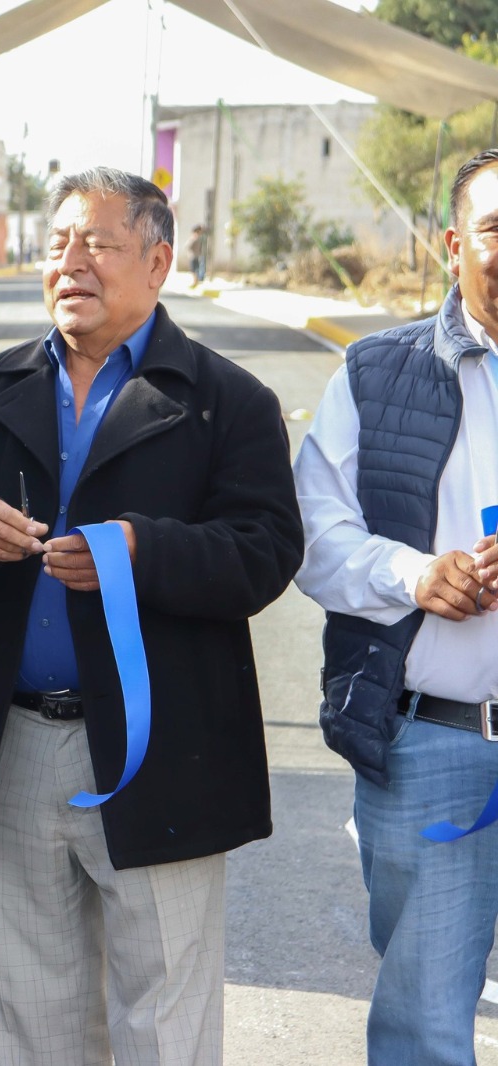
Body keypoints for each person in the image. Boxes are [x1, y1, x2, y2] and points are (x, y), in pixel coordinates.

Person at [0, 166, 303, 1066]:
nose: (71, 263)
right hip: (14, 742)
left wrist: (142, 550)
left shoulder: (226, 401)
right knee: (34, 1007)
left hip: (164, 749)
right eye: (58, 244)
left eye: (98, 244)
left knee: (165, 1014)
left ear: (158, 261)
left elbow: (266, 551)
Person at [294, 147, 498, 1066]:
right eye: (496, 229)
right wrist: (415, 576)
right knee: (422, 1024)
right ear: (455, 244)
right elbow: (314, 535)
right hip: (433, 746)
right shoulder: (377, 373)